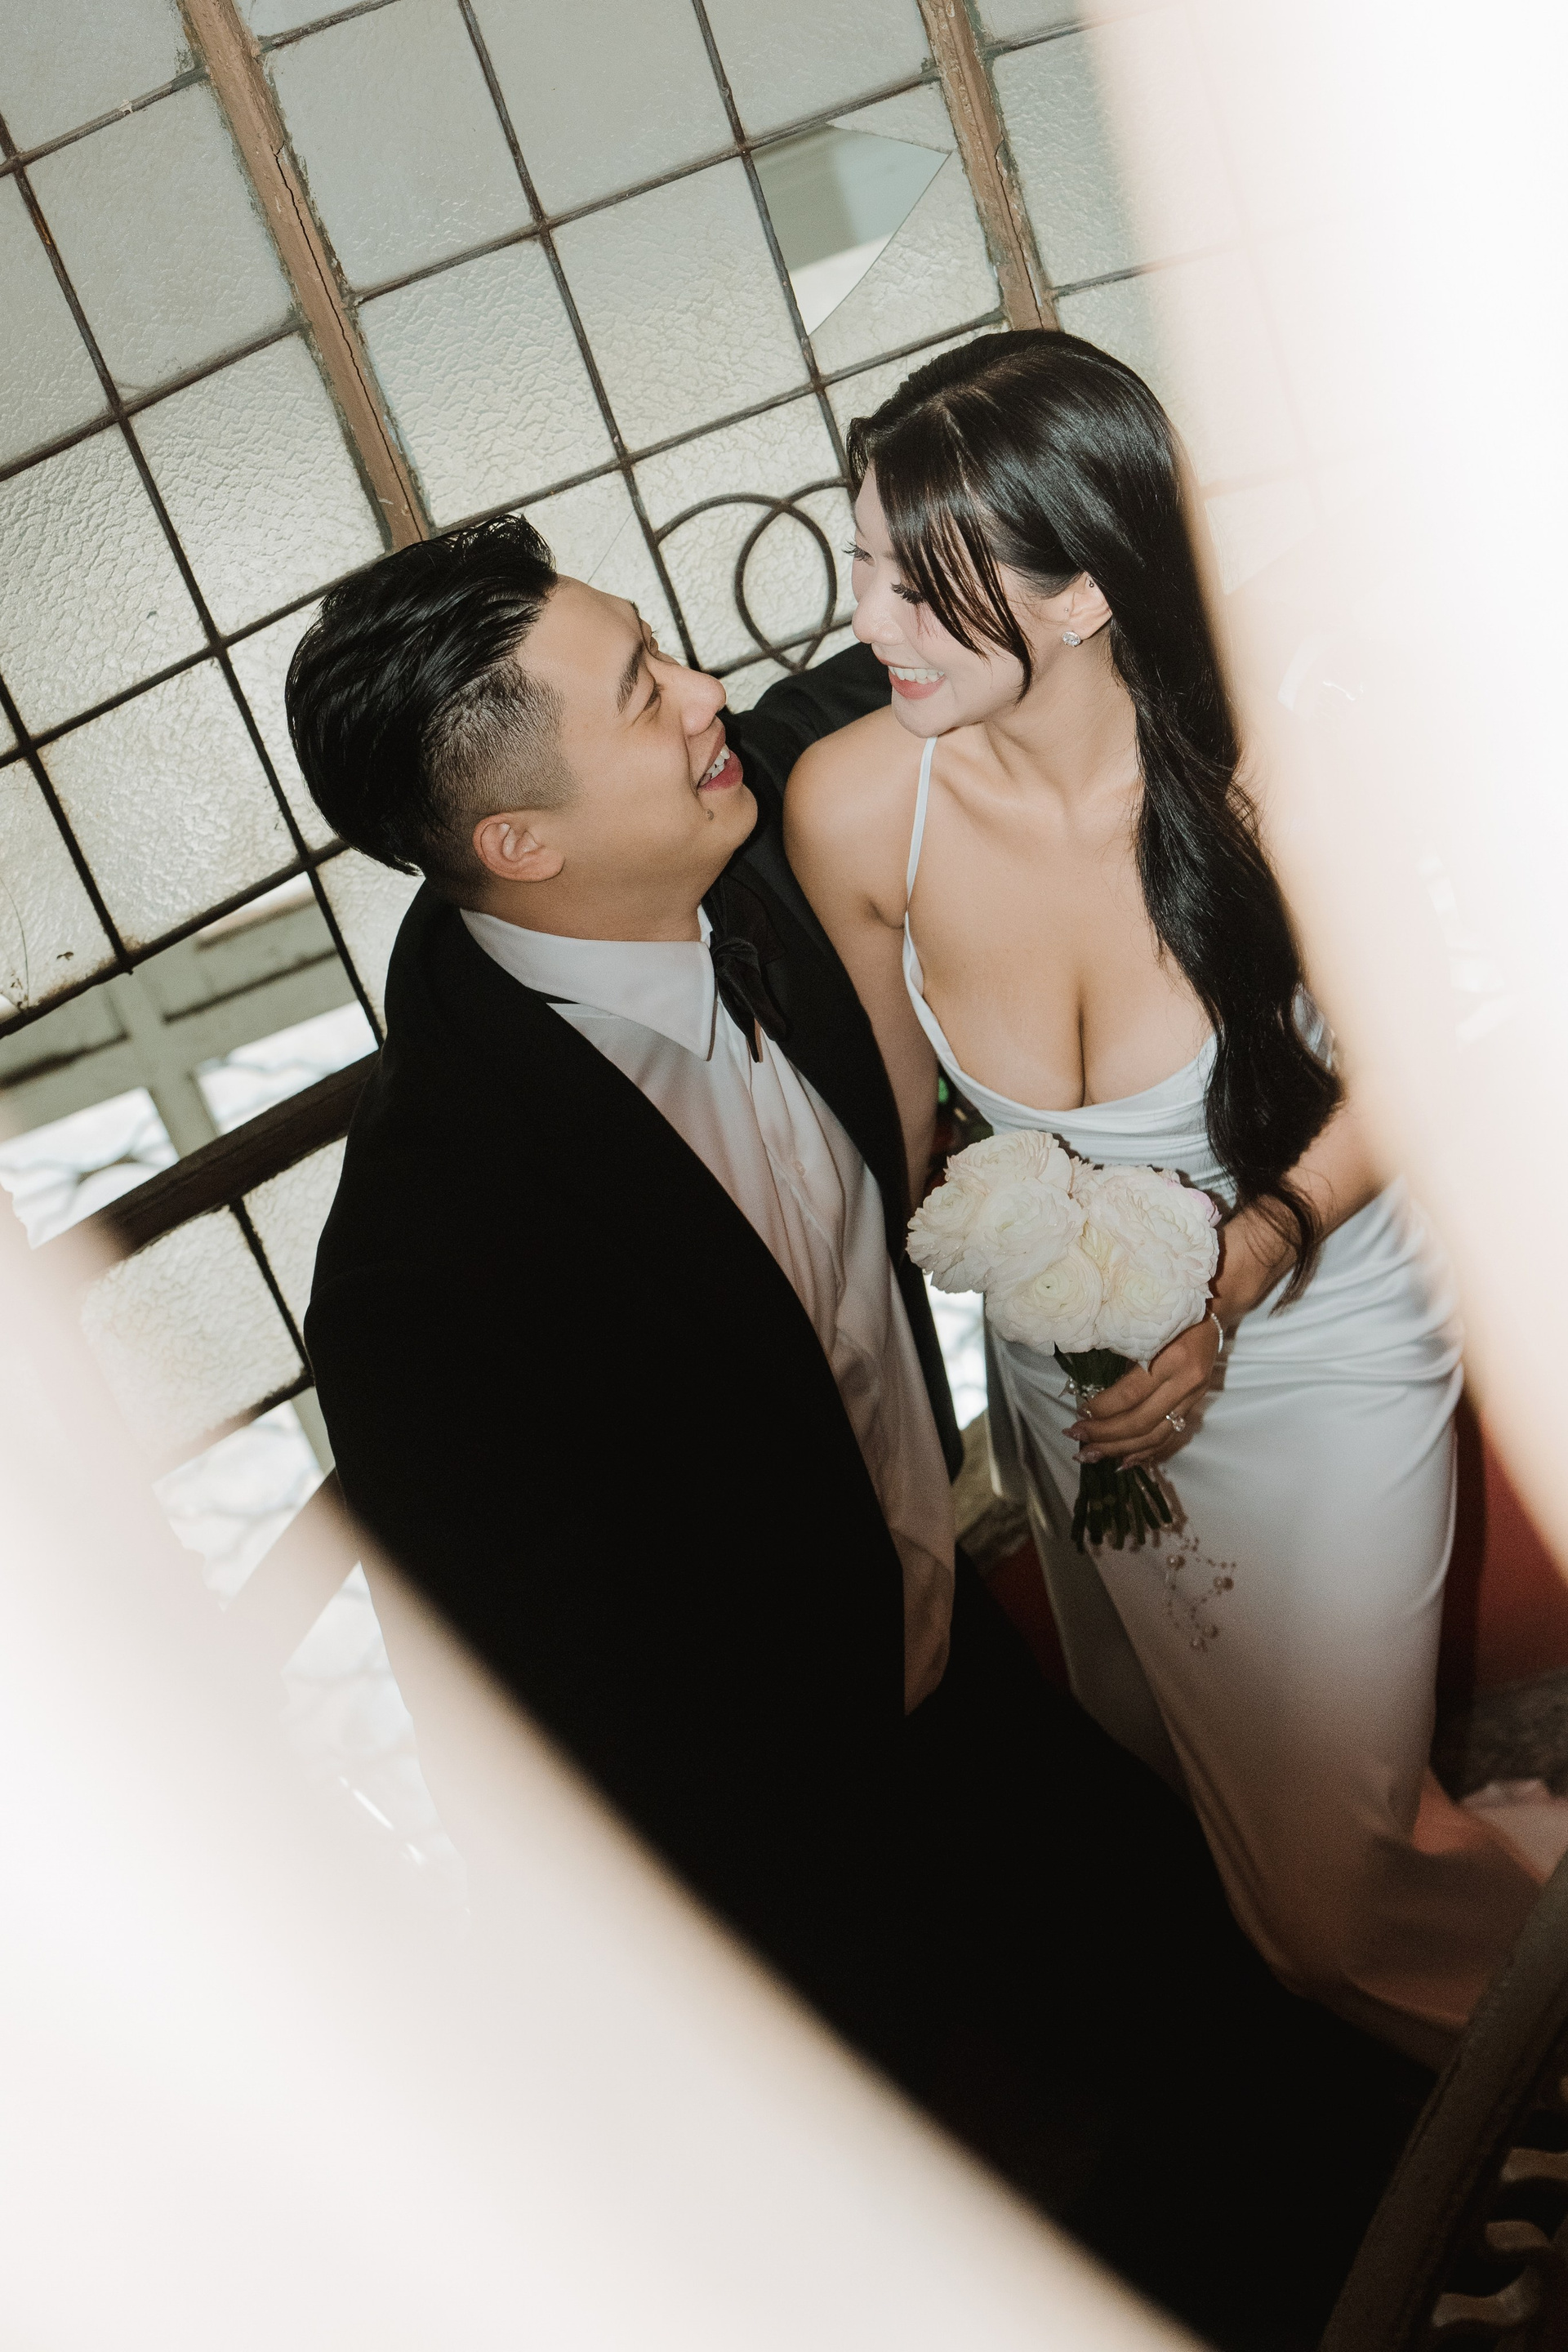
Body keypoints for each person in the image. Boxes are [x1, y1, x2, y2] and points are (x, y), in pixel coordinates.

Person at [783, 327, 1541, 2071]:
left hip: (1317, 1317)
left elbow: (1416, 1068)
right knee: (1156, 1735)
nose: (867, 622)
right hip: (1076, 1373)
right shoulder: (856, 809)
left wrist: (1245, 1261)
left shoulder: (1282, 769)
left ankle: (1508, 2075)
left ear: (1083, 595)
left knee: (1318, 1901)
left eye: (917, 582)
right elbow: (906, 1137)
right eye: (861, 563)